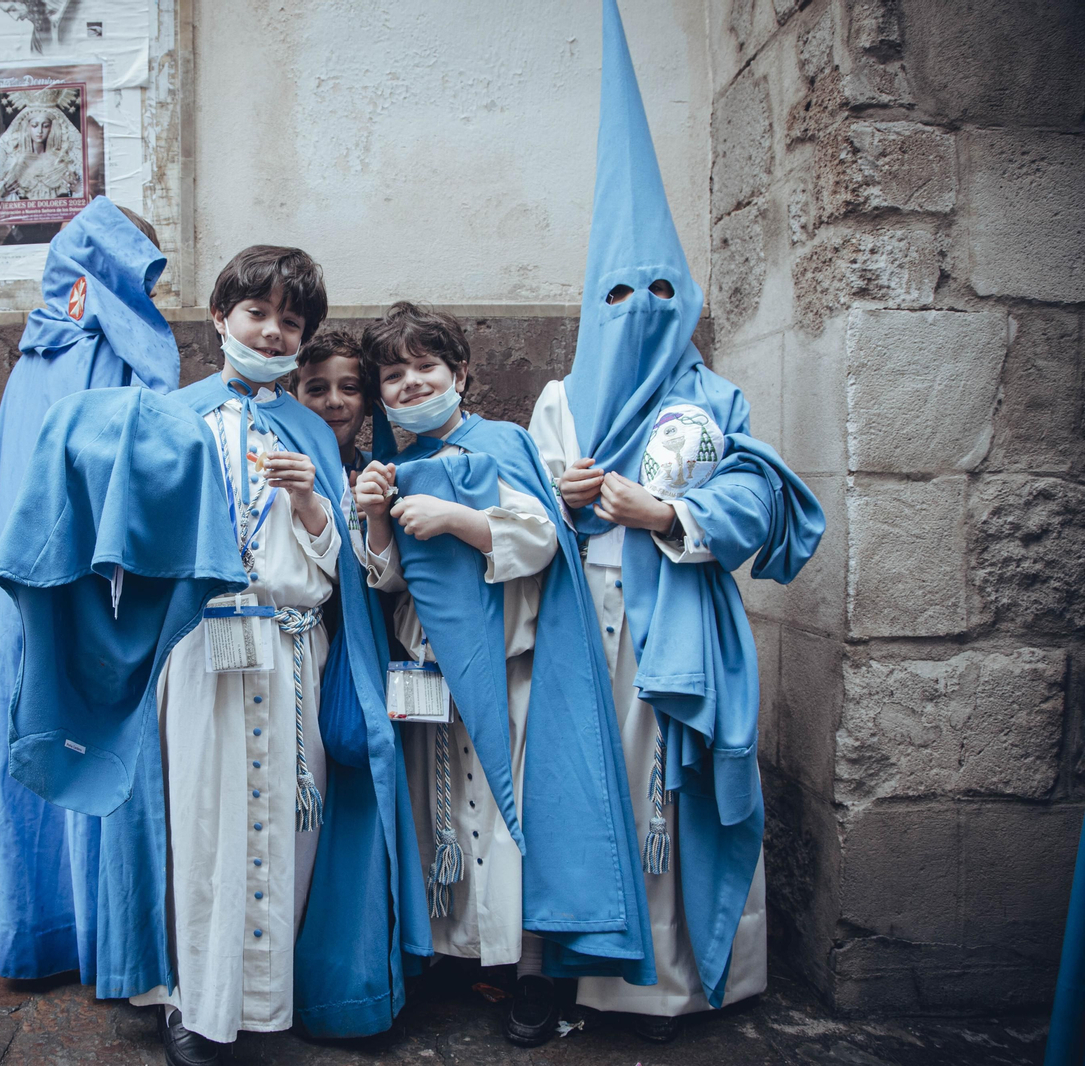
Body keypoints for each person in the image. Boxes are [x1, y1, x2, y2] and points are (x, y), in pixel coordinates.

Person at [0, 245, 429, 1066]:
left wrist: (309, 502)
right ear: (220, 318)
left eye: (289, 323)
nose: (270, 332)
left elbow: (340, 568)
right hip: (199, 649)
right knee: (201, 825)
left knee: (285, 827)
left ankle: (267, 1004)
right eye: (256, 314)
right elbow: (121, 516)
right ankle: (194, 1005)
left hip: (290, 648)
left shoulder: (311, 430)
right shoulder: (171, 414)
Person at [527, 0, 825, 1044]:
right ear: (590, 299)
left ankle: (689, 983)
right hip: (582, 635)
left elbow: (758, 492)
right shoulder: (560, 401)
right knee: (590, 794)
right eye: (623, 288)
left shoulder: (712, 397)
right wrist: (555, 507)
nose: (645, 305)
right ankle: (584, 974)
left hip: (681, 621)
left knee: (678, 794)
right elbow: (516, 516)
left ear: (689, 296)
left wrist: (669, 510)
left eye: (664, 286)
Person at [355, 302, 654, 1048]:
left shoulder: (505, 443)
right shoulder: (389, 467)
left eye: (427, 366)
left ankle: (529, 972)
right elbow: (386, 581)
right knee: (441, 818)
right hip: (428, 678)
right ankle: (459, 956)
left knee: (510, 823)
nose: (413, 383)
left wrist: (458, 520)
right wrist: (379, 518)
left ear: (461, 372)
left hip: (506, 673)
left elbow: (541, 537)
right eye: (394, 375)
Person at [0, 197, 176, 982]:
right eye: (142, 275)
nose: (148, 298)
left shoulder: (34, 356)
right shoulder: (115, 356)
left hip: (20, 593)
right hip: (92, 588)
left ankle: (23, 915)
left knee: (25, 714)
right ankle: (88, 929)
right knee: (86, 723)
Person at [291, 328, 370, 562]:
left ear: (367, 401)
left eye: (349, 388)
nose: (335, 401)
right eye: (317, 389)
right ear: (293, 404)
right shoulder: (283, 479)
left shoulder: (385, 471)